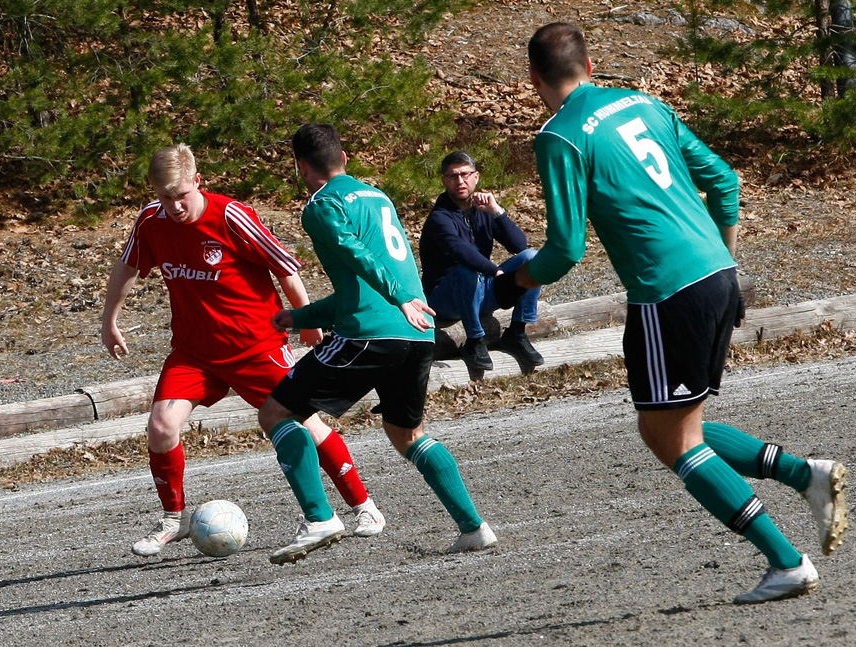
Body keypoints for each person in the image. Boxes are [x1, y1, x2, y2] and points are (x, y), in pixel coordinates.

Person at [504, 22, 848, 604]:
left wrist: (514, 282)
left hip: (666, 293)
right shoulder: (646, 102)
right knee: (671, 424)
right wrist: (727, 264)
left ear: (534, 78)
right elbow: (724, 179)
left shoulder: (558, 136)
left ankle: (787, 561)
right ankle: (803, 475)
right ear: (591, 65)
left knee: (674, 439)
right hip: (717, 273)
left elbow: (564, 249)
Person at [101, 143, 385, 557]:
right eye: (165, 197)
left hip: (255, 347)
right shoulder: (151, 221)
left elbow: (285, 267)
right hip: (195, 353)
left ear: (198, 182)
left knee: (305, 424)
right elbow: (127, 267)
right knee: (161, 427)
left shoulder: (231, 216)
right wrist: (109, 320)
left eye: (181, 195)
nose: (175, 206)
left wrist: (306, 321)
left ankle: (364, 507)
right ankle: (173, 520)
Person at [257, 123, 498, 565]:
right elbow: (356, 291)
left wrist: (398, 294)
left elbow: (354, 256)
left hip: (373, 334)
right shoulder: (377, 196)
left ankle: (320, 518)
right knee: (407, 434)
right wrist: (302, 317)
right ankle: (473, 527)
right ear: (344, 158)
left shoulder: (321, 204)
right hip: (418, 331)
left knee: (276, 411)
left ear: (301, 167)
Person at [419, 151, 544, 375]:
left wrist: (497, 212)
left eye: (465, 175)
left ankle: (516, 333)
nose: (460, 181)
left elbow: (519, 245)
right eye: (453, 176)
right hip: (444, 299)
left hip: (480, 288)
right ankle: (475, 341)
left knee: (532, 259)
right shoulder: (440, 218)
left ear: (476, 177)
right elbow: (461, 251)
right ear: (444, 181)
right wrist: (495, 272)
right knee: (467, 269)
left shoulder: (483, 210)